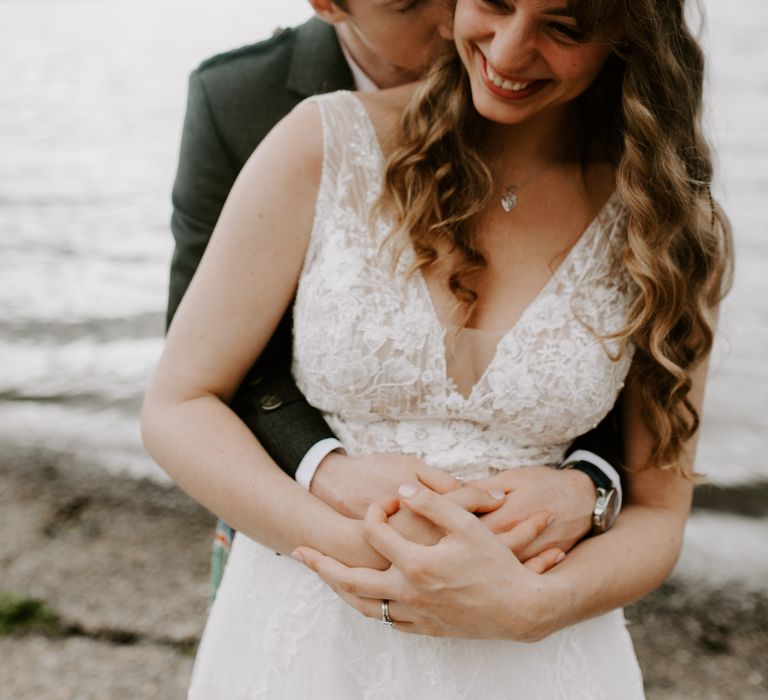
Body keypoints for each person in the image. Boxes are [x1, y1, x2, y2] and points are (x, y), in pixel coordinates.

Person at [143, 0, 732, 697]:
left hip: (537, 659)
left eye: (564, 28)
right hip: (310, 632)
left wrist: (537, 607)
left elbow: (659, 512)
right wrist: (362, 548)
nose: (510, 54)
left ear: (628, 35)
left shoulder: (669, 227)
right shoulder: (322, 141)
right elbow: (180, 405)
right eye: (495, 3)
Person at [168, 0, 627, 600]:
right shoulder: (249, 105)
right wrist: (327, 473)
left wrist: (590, 484)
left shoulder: (632, 187)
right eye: (410, 1)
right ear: (330, 5)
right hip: (297, 512)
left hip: (530, 567)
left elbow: (614, 371)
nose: (452, 17)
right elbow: (204, 372)